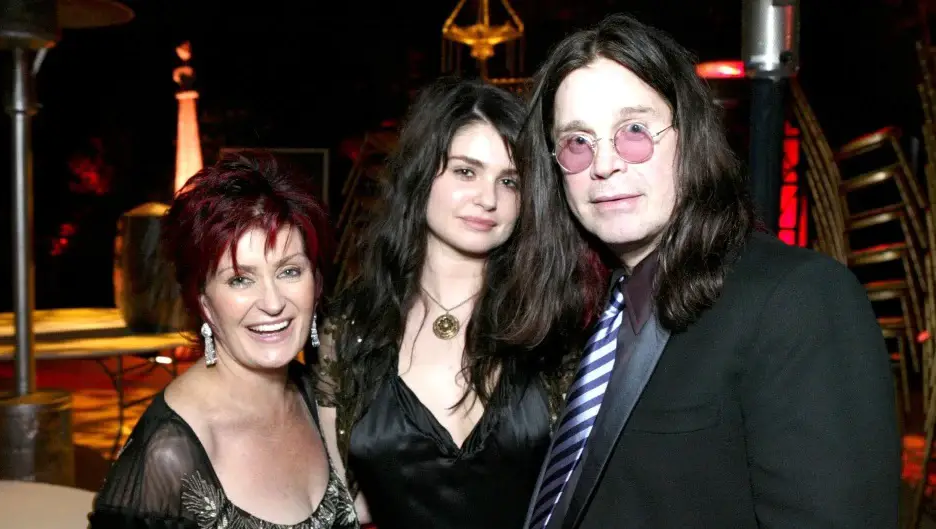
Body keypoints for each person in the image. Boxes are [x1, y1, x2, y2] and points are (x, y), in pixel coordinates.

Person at [517, 13, 900, 529]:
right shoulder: (586, 310)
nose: (604, 164)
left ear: (689, 135)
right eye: (578, 142)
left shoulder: (799, 299)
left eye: (633, 130)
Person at [315, 78, 584, 529]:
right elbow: (338, 502)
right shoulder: (351, 328)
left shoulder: (552, 323)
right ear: (421, 174)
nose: (487, 198)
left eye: (509, 181)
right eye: (465, 171)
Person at [89, 153, 358, 529]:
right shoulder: (168, 454)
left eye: (290, 271)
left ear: (316, 284)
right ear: (205, 303)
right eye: (240, 279)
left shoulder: (320, 399)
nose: (273, 302)